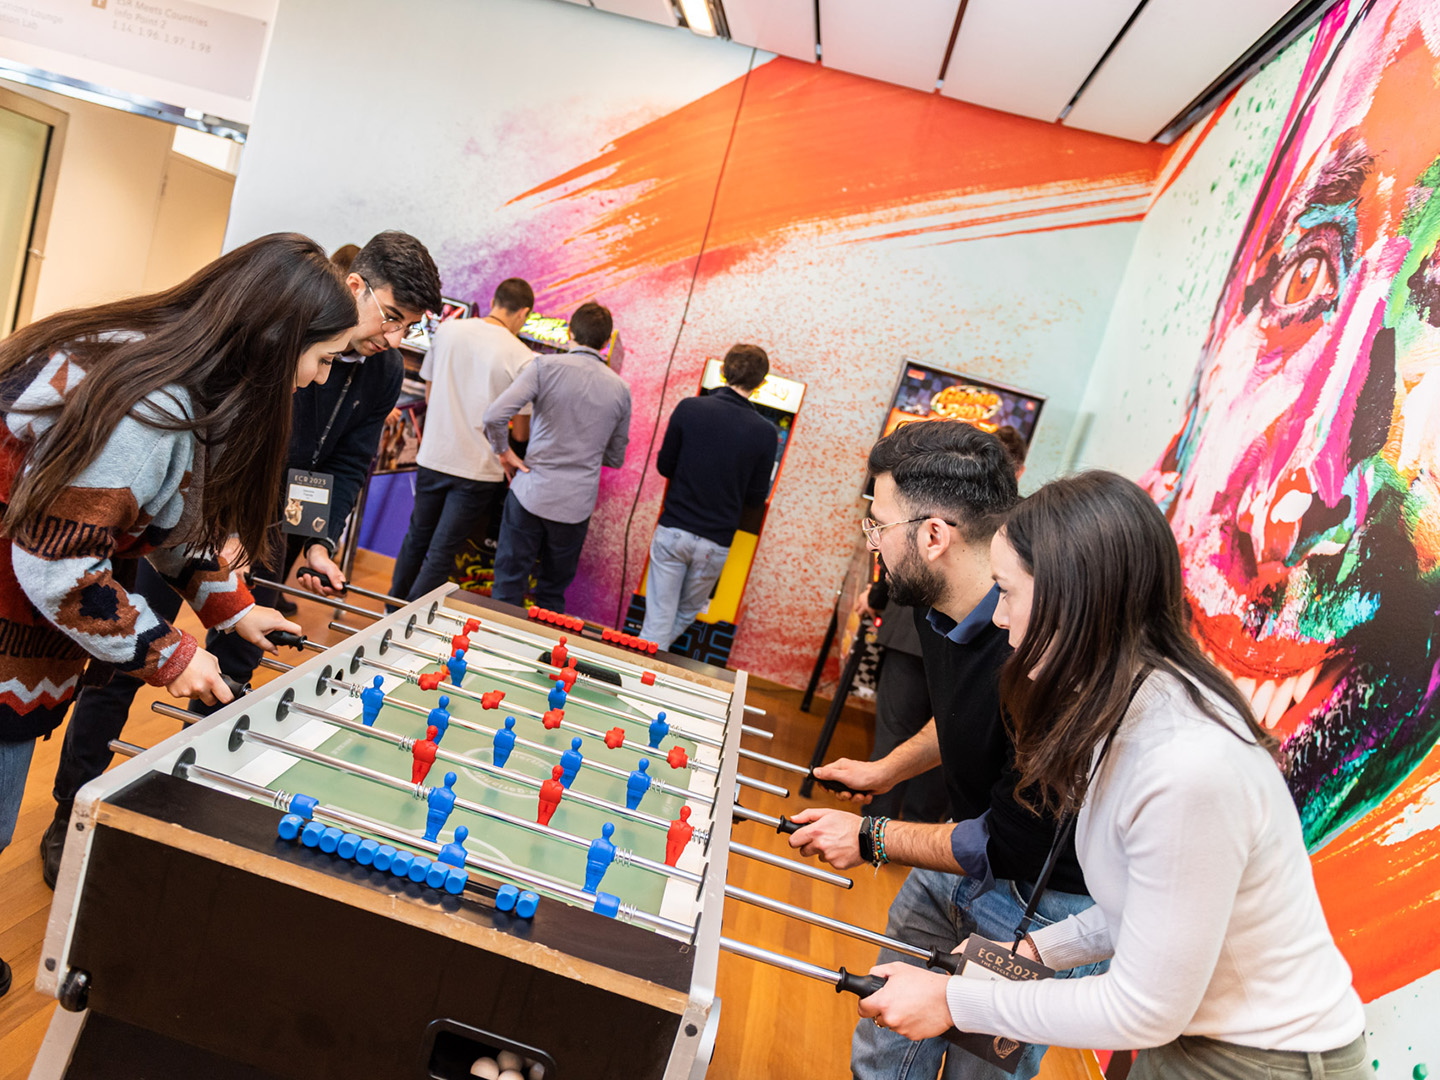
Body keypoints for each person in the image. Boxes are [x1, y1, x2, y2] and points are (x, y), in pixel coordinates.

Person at [859, 472, 1369, 1080]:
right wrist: (1045, 948)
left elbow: (1143, 1007)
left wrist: (951, 999)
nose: (998, 618)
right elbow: (1147, 903)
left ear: (1066, 600)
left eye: (1007, 591)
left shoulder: (1186, 765)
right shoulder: (1124, 710)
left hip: (1265, 1058)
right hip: (1200, 1041)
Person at [0, 232, 354, 988]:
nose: (318, 379)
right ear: (272, 341)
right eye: (321, 357)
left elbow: (169, 520)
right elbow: (58, 561)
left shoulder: (171, 376)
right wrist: (170, 653)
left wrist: (233, 610)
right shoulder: (147, 407)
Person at [38, 230, 440, 886]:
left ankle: (186, 801)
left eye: (409, 327)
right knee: (115, 668)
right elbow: (68, 562)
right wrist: (180, 622)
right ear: (355, 288)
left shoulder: (373, 369)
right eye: (392, 318)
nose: (393, 339)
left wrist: (308, 545)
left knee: (234, 656)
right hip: (192, 521)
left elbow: (340, 468)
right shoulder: (184, 388)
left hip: (240, 529)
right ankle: (70, 810)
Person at [789, 420, 1097, 1080]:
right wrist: (885, 769)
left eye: (879, 524)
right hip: (963, 858)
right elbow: (966, 719)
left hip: (1041, 903)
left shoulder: (1041, 653)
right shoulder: (940, 603)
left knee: (973, 1073)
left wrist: (871, 837)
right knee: (887, 1029)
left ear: (933, 537)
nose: (873, 541)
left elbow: (1009, 842)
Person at [389, 277, 535, 603]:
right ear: (523, 313)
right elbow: (521, 432)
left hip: (434, 454)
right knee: (442, 551)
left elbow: (429, 390)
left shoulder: (448, 331)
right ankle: (406, 620)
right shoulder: (523, 357)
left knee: (416, 538)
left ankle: (391, 605)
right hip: (478, 469)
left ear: (495, 300)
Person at [484, 302, 630, 612]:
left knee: (509, 584)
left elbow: (494, 416)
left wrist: (504, 452)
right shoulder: (620, 390)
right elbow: (616, 457)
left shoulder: (544, 367)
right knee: (551, 595)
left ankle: (495, 655)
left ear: (569, 333)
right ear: (605, 343)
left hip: (531, 493)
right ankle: (544, 659)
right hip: (575, 506)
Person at [639, 344, 777, 650]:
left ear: (722, 371)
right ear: (761, 383)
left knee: (658, 619)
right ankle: (648, 665)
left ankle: (642, 666)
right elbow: (756, 497)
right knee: (686, 613)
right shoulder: (766, 433)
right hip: (715, 543)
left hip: (674, 529)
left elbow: (665, 465)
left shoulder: (690, 407)